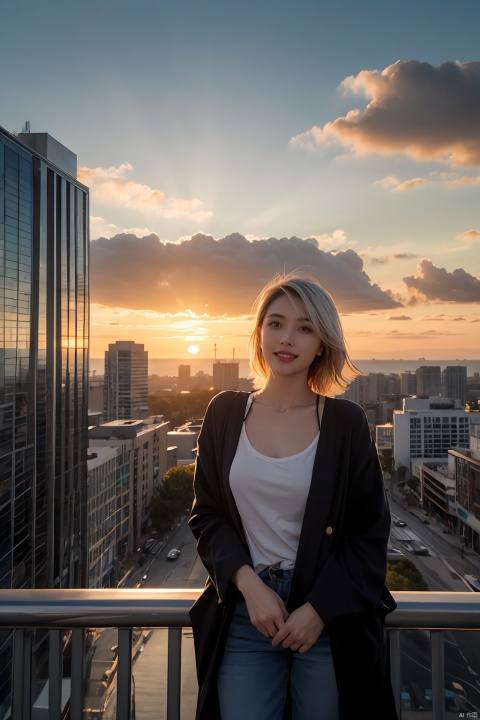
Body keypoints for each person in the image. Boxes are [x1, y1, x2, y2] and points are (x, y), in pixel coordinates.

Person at [189, 272, 398, 720]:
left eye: (304, 327)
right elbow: (207, 517)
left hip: (325, 618)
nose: (287, 339)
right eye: (276, 323)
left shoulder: (345, 423)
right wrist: (250, 586)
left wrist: (319, 610)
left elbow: (368, 532)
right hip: (247, 616)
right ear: (259, 332)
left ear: (322, 342)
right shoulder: (224, 413)